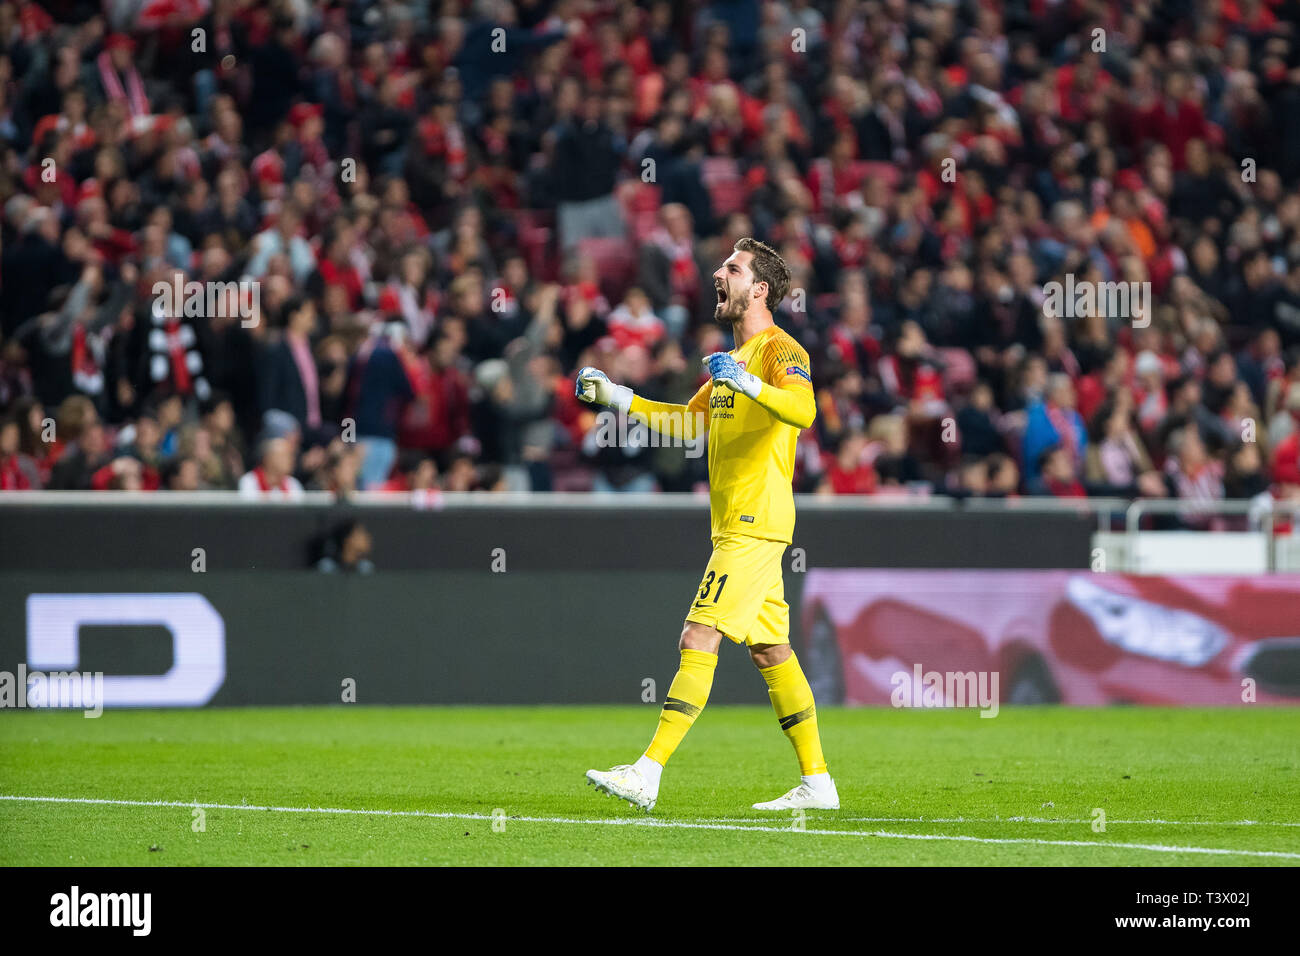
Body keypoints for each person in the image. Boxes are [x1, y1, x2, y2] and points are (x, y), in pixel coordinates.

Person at [575, 237, 837, 812]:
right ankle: (818, 782)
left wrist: (750, 386)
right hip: (743, 526)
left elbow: (804, 409)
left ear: (759, 288)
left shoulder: (778, 350)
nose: (719, 273)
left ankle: (647, 772)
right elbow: (688, 426)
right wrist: (617, 397)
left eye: (733, 268)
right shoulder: (732, 361)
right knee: (772, 652)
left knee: (698, 636)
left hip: (753, 522)